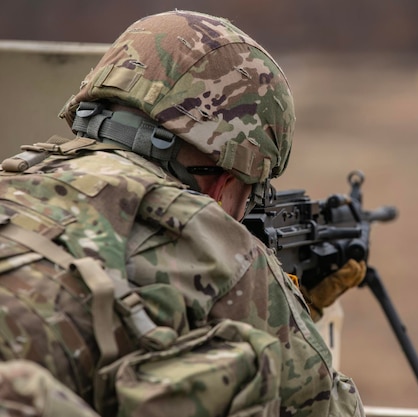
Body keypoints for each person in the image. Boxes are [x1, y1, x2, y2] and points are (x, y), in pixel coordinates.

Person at [0, 10, 366, 417]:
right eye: (250, 196)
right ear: (225, 181)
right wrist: (282, 305)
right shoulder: (216, 243)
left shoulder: (16, 174)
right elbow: (329, 408)